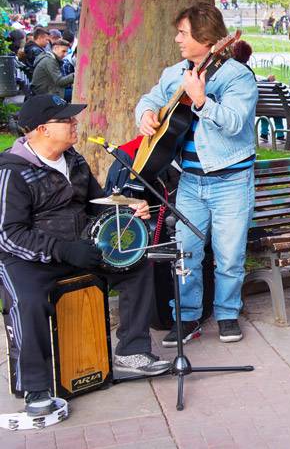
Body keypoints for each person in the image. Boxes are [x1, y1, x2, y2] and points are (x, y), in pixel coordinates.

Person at [0, 94, 171, 416]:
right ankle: (35, 386)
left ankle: (132, 351)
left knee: (137, 265)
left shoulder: (73, 159)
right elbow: (8, 234)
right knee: (28, 301)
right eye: (66, 120)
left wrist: (127, 208)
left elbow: (97, 202)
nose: (75, 123)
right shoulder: (12, 171)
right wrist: (62, 249)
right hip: (28, 258)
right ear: (42, 129)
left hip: (81, 247)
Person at [136, 2, 257, 345]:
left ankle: (227, 313)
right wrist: (144, 114)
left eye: (184, 33)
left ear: (206, 38)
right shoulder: (174, 74)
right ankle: (186, 317)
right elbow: (149, 99)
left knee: (230, 254)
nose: (177, 39)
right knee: (186, 252)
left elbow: (234, 124)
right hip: (189, 180)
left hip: (231, 181)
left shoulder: (237, 77)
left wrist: (202, 101)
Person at [231, 40, 290, 144]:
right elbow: (254, 84)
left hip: (253, 106)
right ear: (248, 56)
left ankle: (264, 133)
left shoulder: (232, 68)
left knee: (266, 108)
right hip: (255, 104)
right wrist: (267, 80)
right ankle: (280, 135)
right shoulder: (246, 70)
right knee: (275, 108)